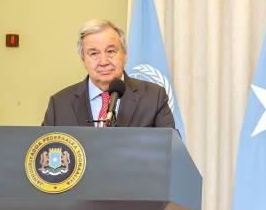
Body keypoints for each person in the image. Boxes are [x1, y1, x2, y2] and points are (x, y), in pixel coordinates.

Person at [42, 19, 175, 128]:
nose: (104, 61)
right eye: (94, 54)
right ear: (83, 60)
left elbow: (171, 151)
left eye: (111, 51)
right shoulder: (59, 104)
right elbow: (43, 154)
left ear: (125, 54)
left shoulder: (153, 98)